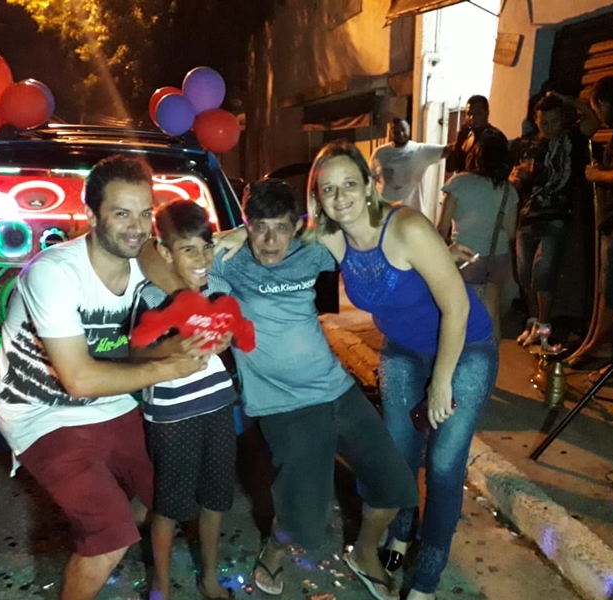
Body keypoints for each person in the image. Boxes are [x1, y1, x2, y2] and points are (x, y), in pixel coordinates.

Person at [169, 179, 419, 600]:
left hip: (337, 389)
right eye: (259, 227)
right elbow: (179, 265)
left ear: (297, 226)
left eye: (281, 228)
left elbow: (369, 231)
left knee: (395, 487)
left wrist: (435, 254)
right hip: (283, 404)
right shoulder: (227, 261)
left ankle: (365, 554)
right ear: (246, 223)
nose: (270, 241)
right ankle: (274, 549)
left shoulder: (313, 251)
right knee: (304, 521)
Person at [0, 155, 206, 600]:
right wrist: (171, 366)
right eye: (122, 213)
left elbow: (194, 257)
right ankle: (109, 526)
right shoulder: (53, 273)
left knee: (175, 492)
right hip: (42, 412)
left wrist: (193, 336)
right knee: (110, 535)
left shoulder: (146, 262)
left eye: (144, 213)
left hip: (113, 399)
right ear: (91, 215)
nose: (137, 227)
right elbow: (79, 380)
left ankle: (126, 526)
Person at [306, 140, 498, 600]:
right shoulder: (331, 237)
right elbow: (276, 239)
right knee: (398, 456)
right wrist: (231, 237)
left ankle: (426, 581)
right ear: (318, 198)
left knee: (444, 465)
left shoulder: (406, 227)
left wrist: (441, 382)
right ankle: (399, 536)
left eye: (349, 184)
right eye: (328, 189)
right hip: (403, 351)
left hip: (466, 349)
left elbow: (455, 308)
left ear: (370, 185)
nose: (340, 196)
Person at [130, 200, 238, 600]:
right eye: (188, 249)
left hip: (219, 405)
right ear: (164, 251)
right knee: (169, 505)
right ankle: (160, 584)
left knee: (216, 498)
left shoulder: (218, 287)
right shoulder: (150, 294)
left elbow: (227, 331)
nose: (202, 259)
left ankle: (208, 577)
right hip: (172, 415)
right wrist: (172, 346)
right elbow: (135, 353)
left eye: (206, 248)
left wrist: (226, 338)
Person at [509, 93, 597, 347]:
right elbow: (514, 178)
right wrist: (517, 178)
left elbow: (593, 119)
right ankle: (533, 322)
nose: (549, 127)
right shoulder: (528, 144)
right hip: (528, 214)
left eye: (554, 121)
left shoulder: (571, 138)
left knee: (543, 270)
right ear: (535, 120)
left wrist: (563, 98)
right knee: (524, 273)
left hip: (556, 214)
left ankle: (544, 326)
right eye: (543, 122)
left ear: (562, 118)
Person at [439, 133, 518, 341]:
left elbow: (442, 228)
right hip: (496, 258)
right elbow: (510, 231)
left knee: (459, 314)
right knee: (492, 316)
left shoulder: (458, 183)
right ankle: (491, 357)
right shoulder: (508, 190)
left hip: (465, 257)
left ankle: (460, 356)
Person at [584, 75, 613, 385]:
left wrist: (597, 174)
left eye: (596, 108)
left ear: (603, 103)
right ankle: (611, 355)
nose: (598, 117)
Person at [370, 117, 450, 221]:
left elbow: (448, 150)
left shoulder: (421, 150)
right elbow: (370, 178)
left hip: (412, 214)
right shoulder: (380, 153)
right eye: (396, 131)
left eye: (403, 129)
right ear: (390, 132)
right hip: (386, 214)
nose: (400, 134)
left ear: (409, 128)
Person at [446, 95, 507, 174]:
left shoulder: (495, 138)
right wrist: (459, 142)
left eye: (478, 113)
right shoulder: (466, 137)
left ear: (486, 113)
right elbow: (450, 167)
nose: (472, 117)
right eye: (469, 114)